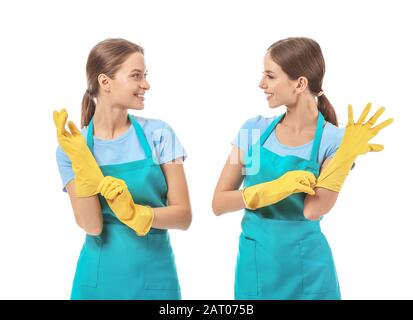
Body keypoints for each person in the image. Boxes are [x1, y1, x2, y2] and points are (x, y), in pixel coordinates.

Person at [212, 37, 393, 300]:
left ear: (300, 83)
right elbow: (219, 203)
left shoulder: (333, 141)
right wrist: (271, 190)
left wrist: (347, 153)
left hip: (309, 272)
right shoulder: (252, 131)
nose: (261, 84)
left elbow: (313, 209)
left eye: (270, 76)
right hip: (256, 267)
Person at [54, 38, 192, 300]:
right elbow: (92, 225)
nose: (146, 85)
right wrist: (84, 165)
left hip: (155, 278)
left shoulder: (159, 134)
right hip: (97, 281)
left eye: (145, 75)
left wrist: (141, 215)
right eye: (136, 76)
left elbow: (184, 216)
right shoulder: (72, 148)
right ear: (105, 82)